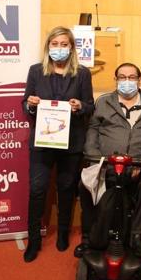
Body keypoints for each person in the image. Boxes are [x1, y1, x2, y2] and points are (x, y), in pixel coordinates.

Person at [74, 63, 141, 257]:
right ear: (116, 80)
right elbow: (92, 131)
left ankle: (139, 238)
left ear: (140, 80)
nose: (127, 81)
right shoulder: (103, 102)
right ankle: (89, 238)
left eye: (132, 77)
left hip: (140, 169)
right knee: (84, 185)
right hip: (106, 167)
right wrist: (95, 159)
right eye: (122, 77)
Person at [22, 26, 94, 262]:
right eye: (55, 44)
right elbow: (25, 103)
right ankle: (33, 240)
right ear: (48, 47)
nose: (59, 49)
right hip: (42, 142)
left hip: (71, 142)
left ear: (71, 48)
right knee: (37, 189)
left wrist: (80, 106)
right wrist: (31, 104)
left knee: (65, 189)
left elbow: (90, 105)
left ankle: (63, 232)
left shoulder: (82, 73)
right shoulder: (36, 71)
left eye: (64, 44)